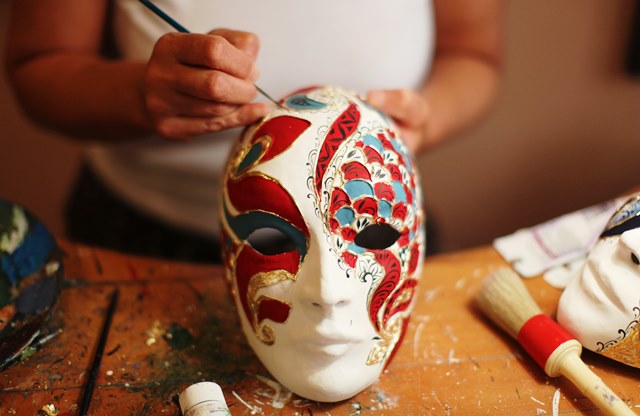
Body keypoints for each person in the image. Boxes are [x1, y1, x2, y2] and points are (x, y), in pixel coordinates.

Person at [4, 0, 504, 263]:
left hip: (370, 232)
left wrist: (424, 116)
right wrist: (140, 94)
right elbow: (37, 64)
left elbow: (475, 54)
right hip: (145, 237)